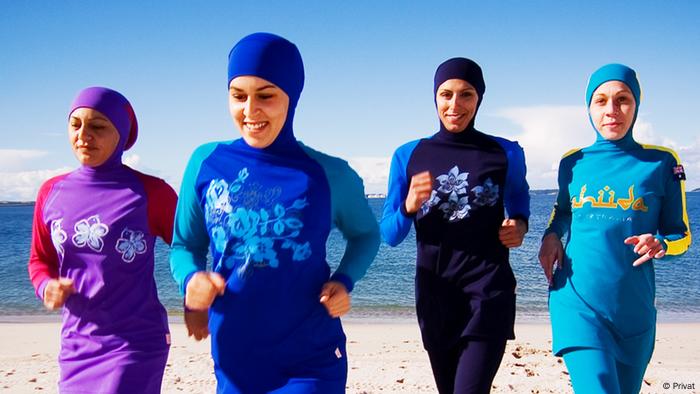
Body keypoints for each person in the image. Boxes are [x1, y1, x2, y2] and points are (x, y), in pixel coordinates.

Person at [169, 32, 380, 393]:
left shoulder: (331, 175)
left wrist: (344, 281)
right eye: (238, 96)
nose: (250, 111)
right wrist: (192, 281)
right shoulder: (205, 163)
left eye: (265, 96)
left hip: (310, 358)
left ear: (291, 97)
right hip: (234, 358)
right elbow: (184, 245)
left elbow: (366, 235)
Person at [538, 63, 692, 394]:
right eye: (601, 100)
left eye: (622, 99)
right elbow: (562, 211)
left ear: (636, 104)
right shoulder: (572, 163)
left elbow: (682, 237)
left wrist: (661, 244)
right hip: (577, 302)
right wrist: (551, 235)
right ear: (589, 108)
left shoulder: (662, 162)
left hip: (634, 312)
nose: (611, 110)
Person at [380, 57, 530, 394]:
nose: (455, 104)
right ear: (435, 97)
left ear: (479, 99)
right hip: (436, 295)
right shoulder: (408, 155)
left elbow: (519, 196)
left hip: (490, 291)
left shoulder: (505, 152)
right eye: (446, 94)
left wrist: (519, 224)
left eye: (466, 95)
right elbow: (390, 234)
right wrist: (407, 207)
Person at [28, 87, 178, 393]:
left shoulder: (152, 193)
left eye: (98, 126)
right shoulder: (51, 192)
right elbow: (39, 260)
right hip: (77, 345)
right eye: (76, 124)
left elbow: (191, 244)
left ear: (121, 134)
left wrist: (201, 287)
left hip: (135, 343)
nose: (84, 135)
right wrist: (47, 286)